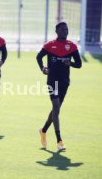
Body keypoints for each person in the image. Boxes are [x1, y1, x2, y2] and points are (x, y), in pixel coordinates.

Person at [36, 22, 82, 150]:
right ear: (57, 31)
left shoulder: (72, 46)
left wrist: (70, 63)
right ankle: (59, 140)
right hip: (52, 81)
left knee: (56, 110)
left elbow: (79, 64)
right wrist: (43, 68)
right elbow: (39, 57)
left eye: (66, 29)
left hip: (64, 82)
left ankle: (43, 130)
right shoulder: (50, 45)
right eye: (62, 29)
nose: (65, 31)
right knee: (56, 107)